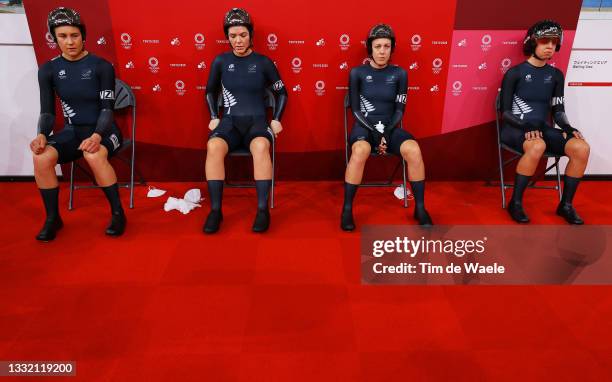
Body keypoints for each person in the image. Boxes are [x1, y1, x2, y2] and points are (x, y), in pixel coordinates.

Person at [30, 7, 126, 241]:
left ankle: (117, 213)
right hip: (73, 132)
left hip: (104, 130)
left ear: (83, 35)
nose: (70, 42)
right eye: (63, 36)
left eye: (75, 35)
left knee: (94, 155)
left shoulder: (101, 66)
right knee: (41, 157)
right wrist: (42, 134)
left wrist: (96, 137)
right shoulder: (49, 70)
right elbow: (47, 111)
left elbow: (107, 109)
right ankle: (53, 218)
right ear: (54, 38)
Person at [203, 8, 288, 234]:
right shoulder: (220, 61)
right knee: (213, 146)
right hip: (229, 122)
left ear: (251, 35)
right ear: (227, 37)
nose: (238, 40)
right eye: (233, 36)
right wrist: (213, 116)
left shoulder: (264, 62)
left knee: (261, 146)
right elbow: (210, 91)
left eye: (242, 35)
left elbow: (282, 92)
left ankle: (262, 210)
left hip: (257, 122)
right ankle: (215, 211)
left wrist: (277, 119)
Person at [341, 24, 432, 231]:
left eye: (387, 46)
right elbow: (355, 110)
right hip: (364, 128)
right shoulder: (357, 73)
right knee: (360, 150)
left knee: (414, 149)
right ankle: (347, 210)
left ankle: (420, 208)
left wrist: (385, 132)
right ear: (370, 48)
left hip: (389, 128)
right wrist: (375, 132)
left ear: (392, 49)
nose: (382, 51)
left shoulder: (400, 74)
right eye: (378, 46)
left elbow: (400, 111)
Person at [500, 20, 590, 224]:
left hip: (542, 129)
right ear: (533, 43)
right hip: (515, 128)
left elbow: (558, 111)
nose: (550, 46)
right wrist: (526, 126)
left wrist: (567, 127)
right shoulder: (514, 73)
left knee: (581, 148)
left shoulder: (556, 75)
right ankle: (515, 202)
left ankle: (565, 205)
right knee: (537, 145)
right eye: (544, 41)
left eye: (554, 42)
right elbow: (505, 113)